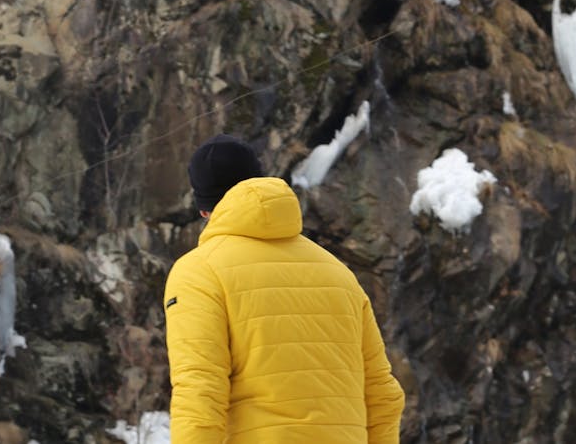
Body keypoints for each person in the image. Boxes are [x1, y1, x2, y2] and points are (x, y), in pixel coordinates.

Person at [164, 134, 404, 443]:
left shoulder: (199, 272)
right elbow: (383, 396)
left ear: (204, 209)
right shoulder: (338, 273)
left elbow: (200, 392)